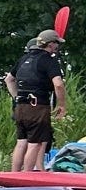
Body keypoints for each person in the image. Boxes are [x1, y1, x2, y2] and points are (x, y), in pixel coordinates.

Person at [4, 27, 67, 172]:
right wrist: (62, 105)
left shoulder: (24, 58)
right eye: (57, 43)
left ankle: (14, 175)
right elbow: (58, 84)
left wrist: (16, 97)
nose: (58, 46)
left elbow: (9, 79)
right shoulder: (48, 61)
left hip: (20, 106)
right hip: (37, 107)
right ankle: (26, 176)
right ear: (50, 44)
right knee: (35, 143)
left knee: (21, 142)